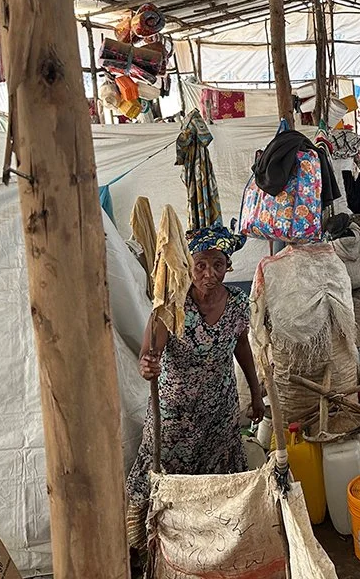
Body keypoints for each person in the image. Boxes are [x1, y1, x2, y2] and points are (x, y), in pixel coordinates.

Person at [125, 224, 265, 552]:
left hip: (219, 409)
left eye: (218, 265)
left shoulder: (237, 303)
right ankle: (142, 540)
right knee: (160, 474)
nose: (209, 274)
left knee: (217, 479)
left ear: (229, 266)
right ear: (189, 266)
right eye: (200, 265)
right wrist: (147, 366)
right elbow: (148, 353)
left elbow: (241, 346)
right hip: (176, 414)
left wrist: (256, 392)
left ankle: (208, 539)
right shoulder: (172, 305)